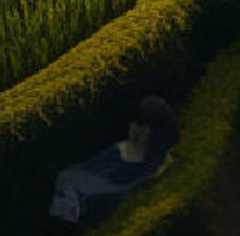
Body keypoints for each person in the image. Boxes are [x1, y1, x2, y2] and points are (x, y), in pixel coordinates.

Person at [47, 95, 179, 229]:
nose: (134, 130)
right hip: (102, 183)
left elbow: (126, 185)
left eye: (142, 129)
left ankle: (66, 225)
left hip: (111, 188)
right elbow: (93, 166)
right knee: (67, 178)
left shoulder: (150, 161)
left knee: (72, 184)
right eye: (135, 126)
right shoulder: (122, 149)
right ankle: (64, 223)